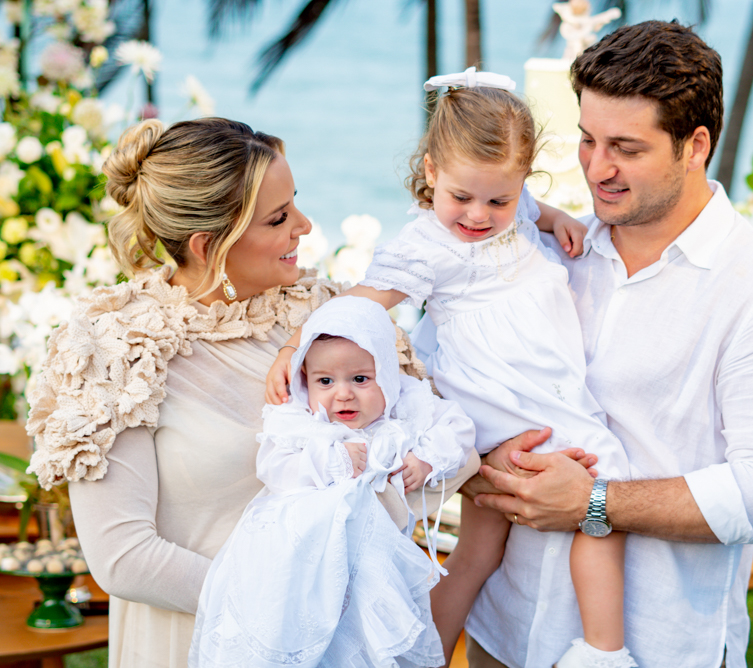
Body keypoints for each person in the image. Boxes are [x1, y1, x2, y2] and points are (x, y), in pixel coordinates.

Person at [25, 118, 480, 668]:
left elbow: (439, 445)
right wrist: (287, 612)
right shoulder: (116, 350)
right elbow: (124, 559)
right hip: (197, 639)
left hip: (345, 641)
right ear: (209, 244)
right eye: (279, 217)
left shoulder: (329, 318)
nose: (306, 227)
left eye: (296, 205)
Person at [461, 21, 753, 668]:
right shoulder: (547, 250)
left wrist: (595, 504)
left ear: (695, 146)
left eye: (626, 148)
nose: (597, 168)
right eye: (587, 139)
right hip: (504, 628)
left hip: (658, 646)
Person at [266, 69, 637, 667]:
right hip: (500, 396)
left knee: (478, 548)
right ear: (432, 169)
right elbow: (362, 301)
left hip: (526, 391)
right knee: (606, 482)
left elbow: (533, 210)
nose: (478, 214)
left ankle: (424, 656)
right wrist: (294, 345)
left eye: (500, 199)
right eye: (461, 196)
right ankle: (604, 650)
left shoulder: (516, 209)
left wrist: (556, 219)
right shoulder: (426, 246)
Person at [190, 296, 476, 667]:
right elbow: (275, 469)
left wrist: (424, 461)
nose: (343, 393)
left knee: (369, 641)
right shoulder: (301, 422)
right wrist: (332, 461)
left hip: (374, 564)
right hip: (297, 561)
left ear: (387, 374)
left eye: (360, 379)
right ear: (306, 381)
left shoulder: (407, 406)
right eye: (326, 381)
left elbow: (458, 427)